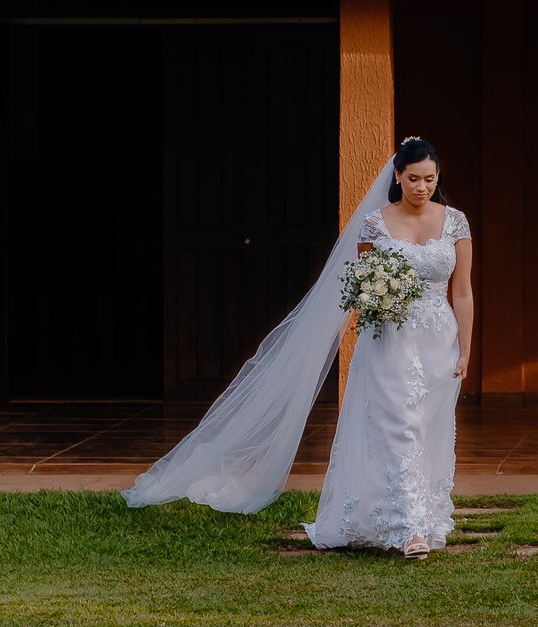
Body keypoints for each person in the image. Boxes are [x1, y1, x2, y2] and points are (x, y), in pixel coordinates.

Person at [123, 137, 475, 558]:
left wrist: (466, 350)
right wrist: (379, 300)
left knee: (429, 427)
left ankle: (423, 515)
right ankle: (408, 527)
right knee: (397, 424)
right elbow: (362, 286)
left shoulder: (454, 222)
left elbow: (464, 292)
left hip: (438, 338)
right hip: (390, 340)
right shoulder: (375, 225)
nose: (422, 187)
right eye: (413, 178)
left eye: (430, 179)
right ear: (397, 176)